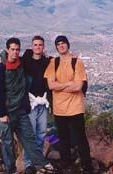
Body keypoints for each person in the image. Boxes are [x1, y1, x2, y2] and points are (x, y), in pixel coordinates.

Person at [0, 37, 53, 174]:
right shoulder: (0, 69)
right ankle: (10, 170)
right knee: (7, 143)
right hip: (6, 113)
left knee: (29, 138)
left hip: (21, 110)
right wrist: (1, 113)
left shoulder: (21, 65)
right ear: (7, 50)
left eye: (17, 49)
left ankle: (40, 164)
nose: (15, 52)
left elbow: (34, 58)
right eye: (12, 49)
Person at [44, 35, 93, 174]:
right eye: (58, 44)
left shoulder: (77, 63)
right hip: (59, 108)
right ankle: (66, 161)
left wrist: (60, 86)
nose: (61, 45)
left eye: (63, 43)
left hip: (75, 107)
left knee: (80, 137)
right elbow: (50, 84)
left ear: (68, 45)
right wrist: (69, 84)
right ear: (56, 47)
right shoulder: (53, 62)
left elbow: (78, 86)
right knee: (63, 137)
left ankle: (87, 165)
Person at [21, 36, 51, 169]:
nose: (38, 47)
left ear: (43, 47)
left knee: (41, 134)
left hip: (43, 103)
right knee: (30, 135)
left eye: (40, 45)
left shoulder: (47, 61)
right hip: (31, 104)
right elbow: (10, 58)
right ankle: (28, 163)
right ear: (32, 46)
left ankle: (38, 161)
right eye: (35, 45)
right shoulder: (26, 61)